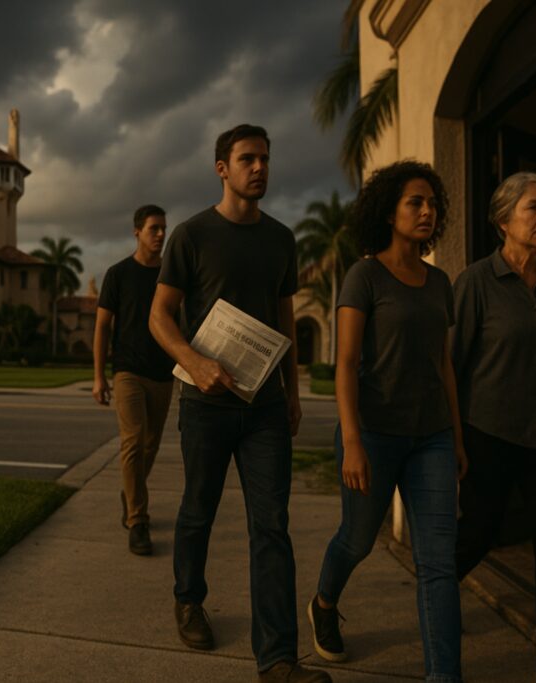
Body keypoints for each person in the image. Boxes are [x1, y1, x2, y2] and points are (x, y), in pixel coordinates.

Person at [150, 124, 330, 683]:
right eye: (248, 159)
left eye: (266, 160)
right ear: (221, 168)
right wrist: (196, 362)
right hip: (206, 403)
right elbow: (159, 316)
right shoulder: (191, 234)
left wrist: (294, 392)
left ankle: (277, 657)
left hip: (266, 407)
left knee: (271, 525)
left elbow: (286, 321)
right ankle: (188, 599)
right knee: (198, 508)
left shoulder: (280, 238)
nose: (260, 168)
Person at [307, 160, 467, 683]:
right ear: (389, 212)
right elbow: (347, 362)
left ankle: (444, 677)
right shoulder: (365, 275)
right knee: (356, 539)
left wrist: (456, 438)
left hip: (432, 440)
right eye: (414, 202)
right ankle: (324, 604)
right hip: (372, 434)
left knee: (439, 564)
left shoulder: (440, 282)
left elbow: (443, 363)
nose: (427, 211)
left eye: (431, 204)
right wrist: (352, 442)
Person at [451, 172, 536, 683]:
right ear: (502, 219)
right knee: (476, 535)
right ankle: (435, 603)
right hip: (488, 433)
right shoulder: (475, 283)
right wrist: (453, 440)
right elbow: (453, 366)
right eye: (534, 208)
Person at [92, 204, 175, 555]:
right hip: (127, 371)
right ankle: (138, 520)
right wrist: (99, 376)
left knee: (149, 446)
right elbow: (102, 327)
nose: (160, 234)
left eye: (163, 229)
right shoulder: (118, 274)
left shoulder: (171, 276)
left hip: (163, 373)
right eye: (154, 228)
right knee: (132, 441)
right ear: (137, 231)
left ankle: (130, 493)